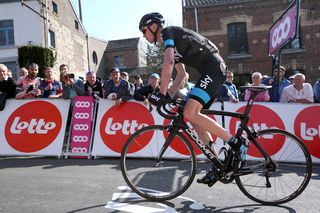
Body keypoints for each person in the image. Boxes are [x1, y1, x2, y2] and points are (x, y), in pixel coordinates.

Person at [139, 12, 249, 186]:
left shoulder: (168, 32)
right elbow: (182, 75)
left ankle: (236, 143)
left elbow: (167, 63)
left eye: (144, 31)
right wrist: (169, 94)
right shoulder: (172, 46)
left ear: (153, 27)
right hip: (209, 73)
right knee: (192, 117)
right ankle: (216, 164)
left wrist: (161, 93)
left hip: (214, 70)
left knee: (190, 112)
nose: (143, 36)